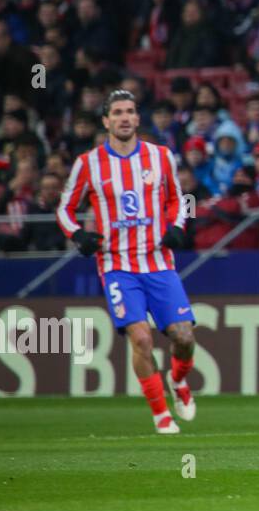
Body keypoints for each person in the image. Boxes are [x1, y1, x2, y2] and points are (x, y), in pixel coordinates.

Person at [55, 89, 197, 435]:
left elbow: (180, 200)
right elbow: (64, 209)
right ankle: (161, 414)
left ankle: (178, 381)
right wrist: (78, 235)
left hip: (158, 261)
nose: (124, 117)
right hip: (117, 265)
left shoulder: (161, 156)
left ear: (137, 119)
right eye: (117, 112)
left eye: (130, 111)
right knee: (142, 339)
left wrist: (178, 226)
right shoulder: (88, 164)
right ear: (106, 121)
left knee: (184, 337)